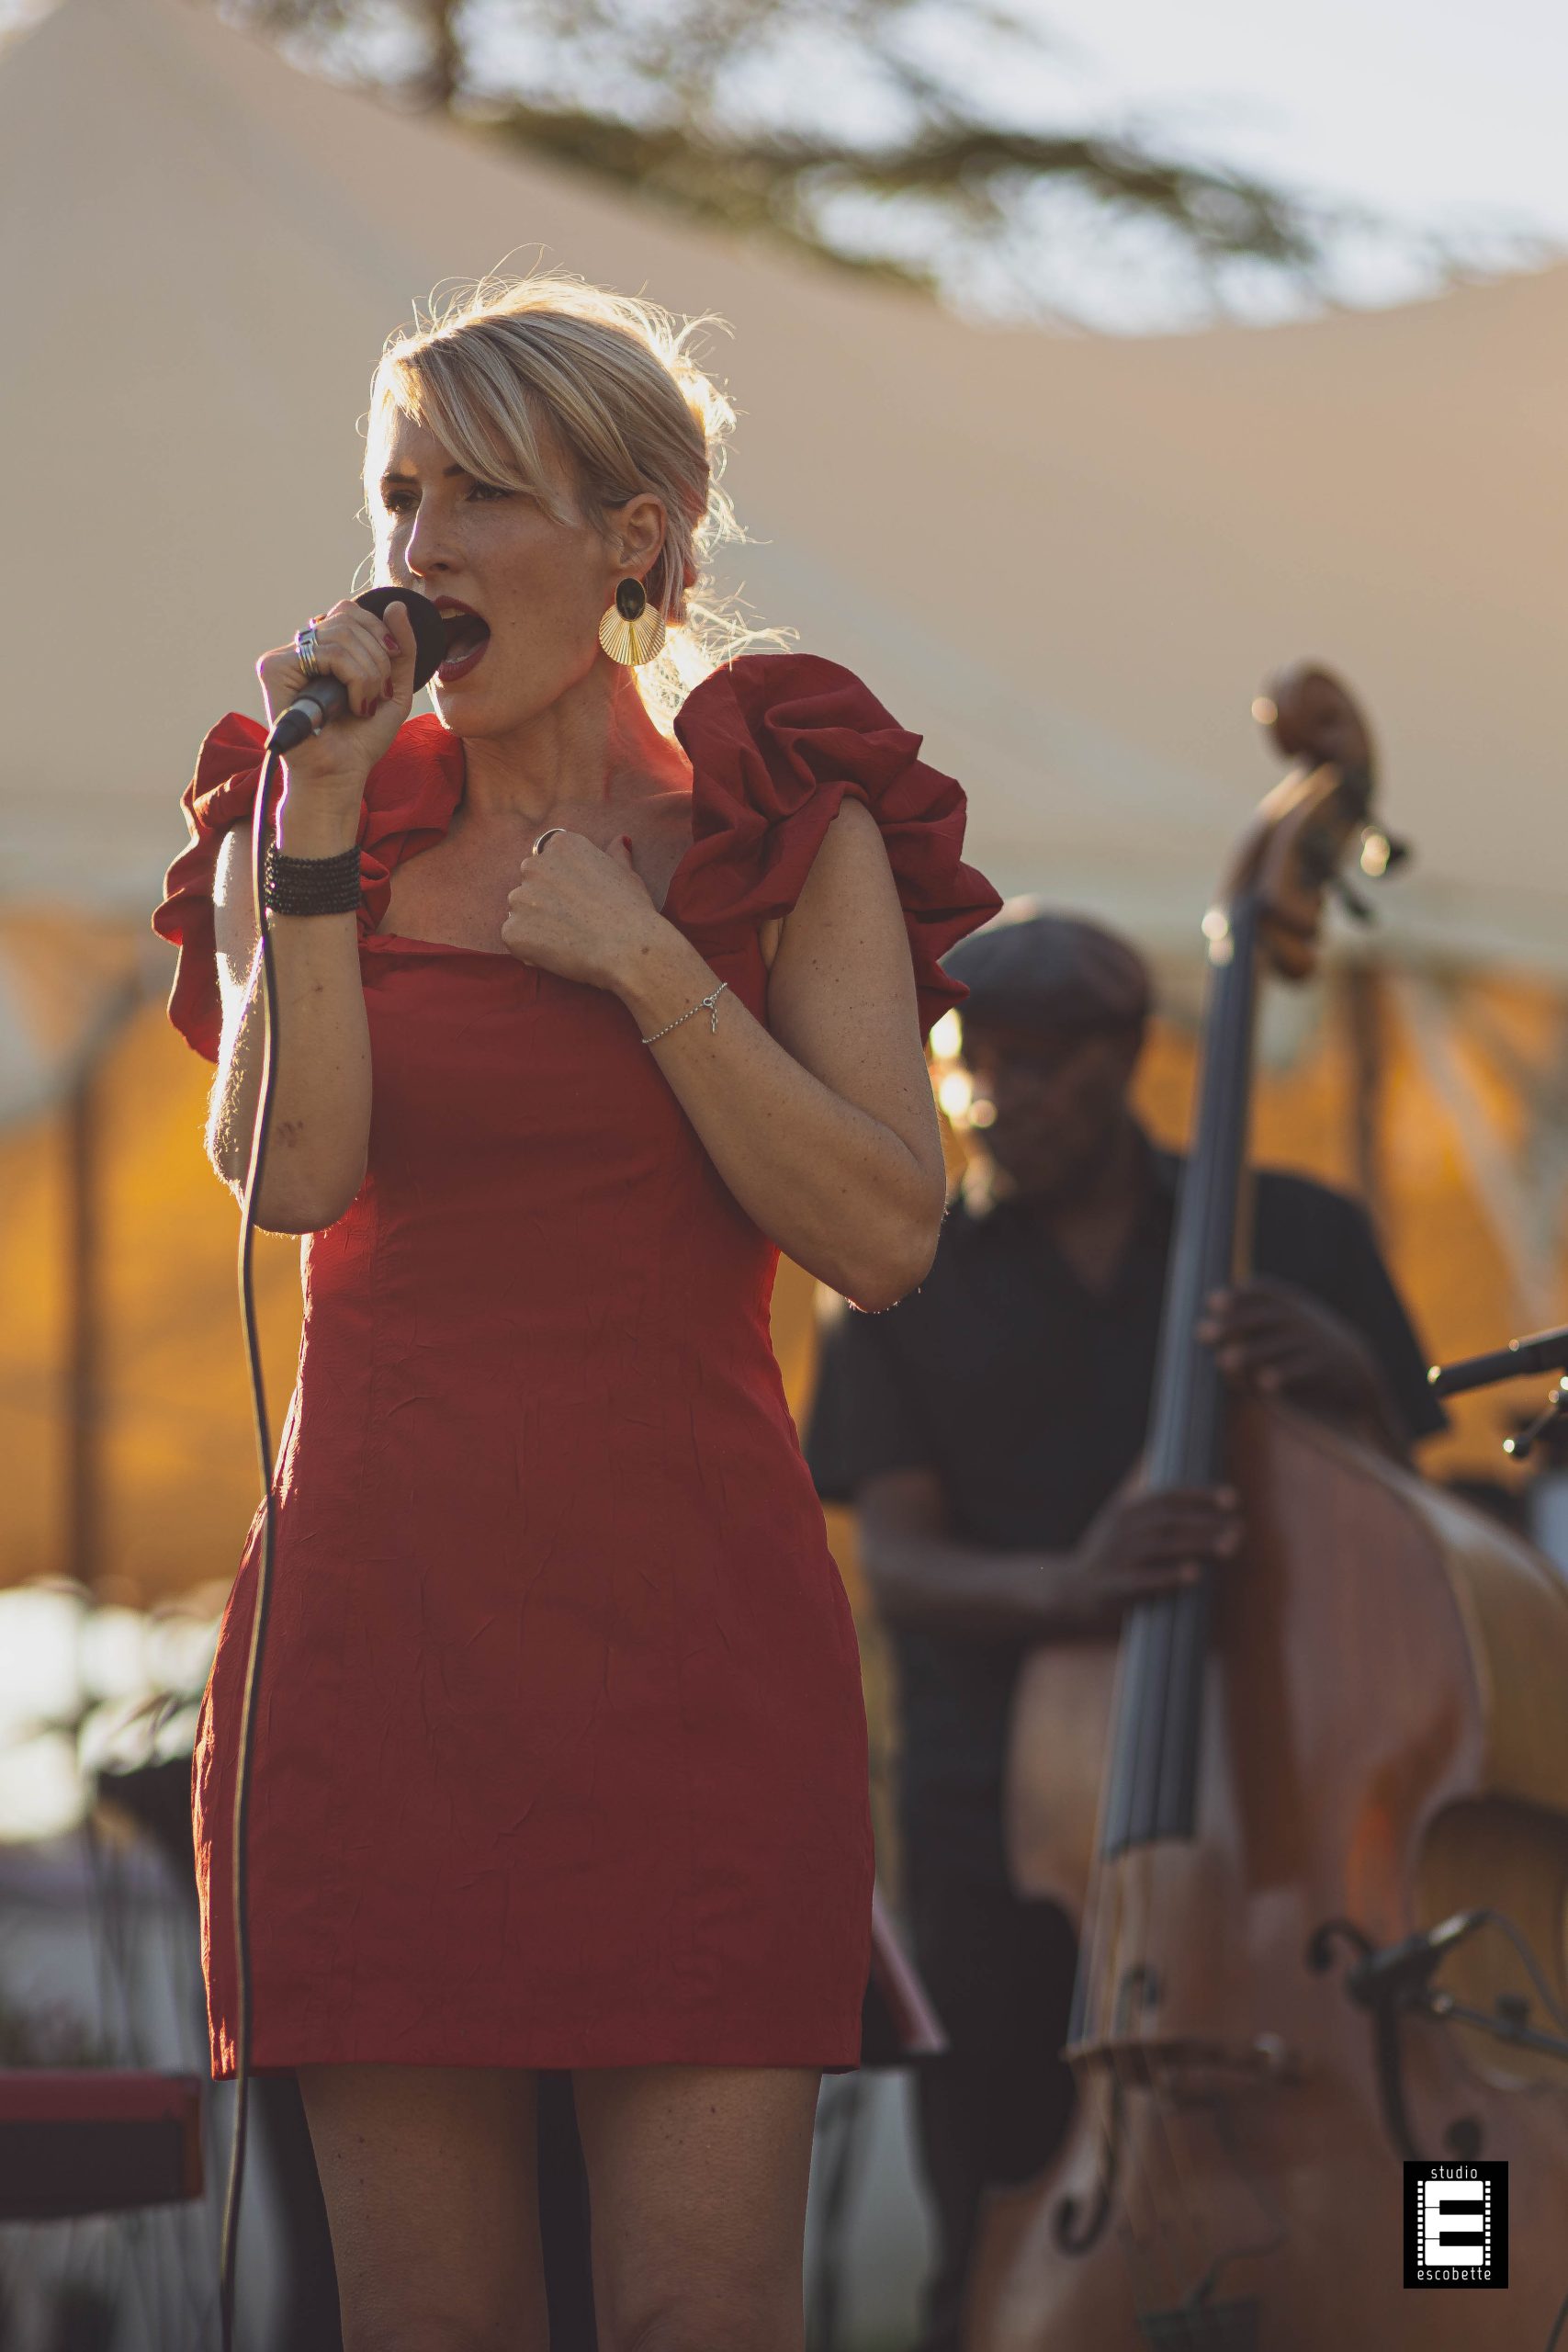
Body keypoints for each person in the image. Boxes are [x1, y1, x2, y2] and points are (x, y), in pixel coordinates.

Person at [152, 276, 1000, 2352]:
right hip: (375, 1646)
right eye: (394, 495)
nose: (413, 554)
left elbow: (884, 1227)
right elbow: (294, 1177)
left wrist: (646, 965)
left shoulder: (773, 811)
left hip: (683, 1648)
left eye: (474, 498)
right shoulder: (319, 803)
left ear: (633, 533)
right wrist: (318, 857)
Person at [804, 905, 1447, 2352]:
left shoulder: (1302, 1237)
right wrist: (1077, 1591)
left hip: (1296, 1823)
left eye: (1040, 1067)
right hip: (1001, 1845)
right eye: (976, 1064)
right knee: (1000, 2214)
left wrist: (1355, 1387)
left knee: (1428, 2143)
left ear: (1129, 1057)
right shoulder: (900, 1275)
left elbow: (1429, 1541)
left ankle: (1460, 2308)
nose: (993, 1099)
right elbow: (893, 1564)